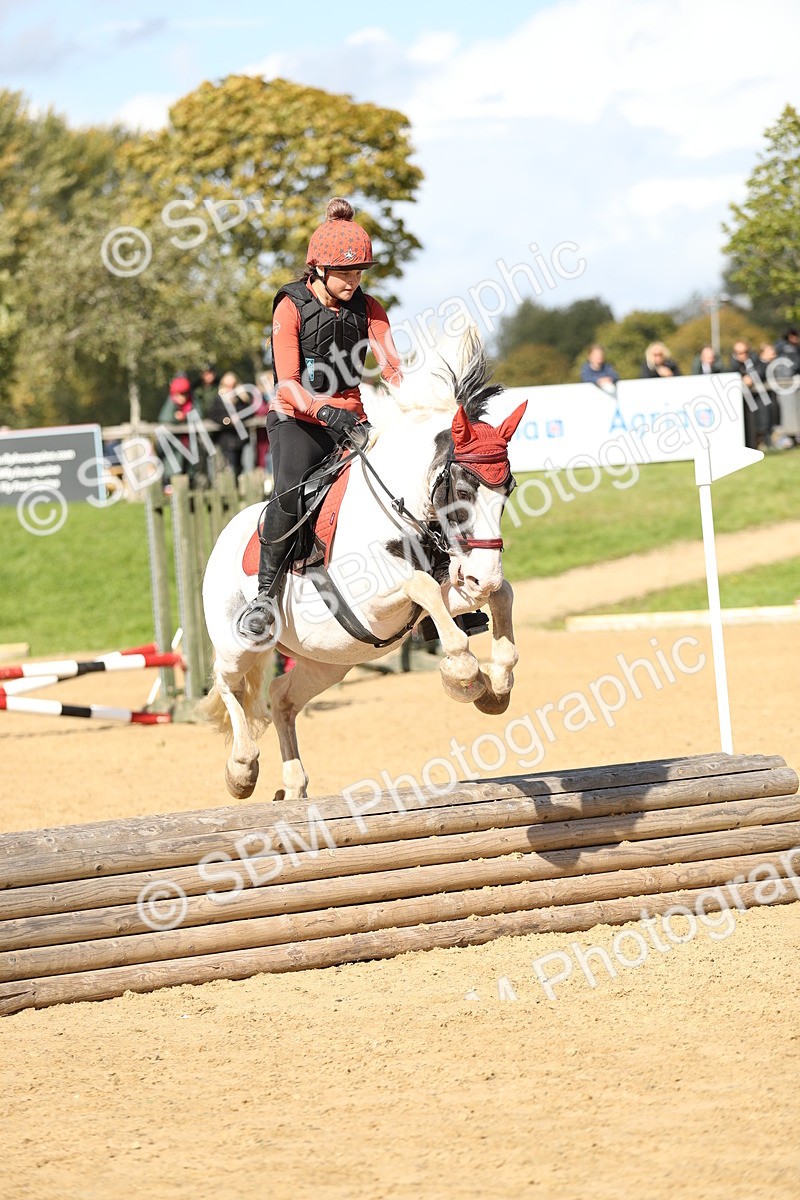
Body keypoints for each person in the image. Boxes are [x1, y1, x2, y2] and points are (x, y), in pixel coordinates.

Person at [237, 197, 403, 640]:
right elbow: (287, 383)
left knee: (405, 481)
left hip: (353, 421)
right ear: (319, 269)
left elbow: (392, 368)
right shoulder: (289, 306)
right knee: (290, 490)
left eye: (359, 272)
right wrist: (324, 410)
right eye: (345, 273)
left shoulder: (370, 308)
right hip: (298, 422)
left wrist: (416, 400)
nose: (354, 280)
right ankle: (265, 599)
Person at [207, 370, 256, 481]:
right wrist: (226, 420)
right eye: (227, 385)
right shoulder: (218, 400)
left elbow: (250, 412)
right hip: (225, 439)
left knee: (243, 467)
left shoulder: (242, 398)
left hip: (241, 439)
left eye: (232, 385)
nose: (230, 388)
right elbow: (212, 414)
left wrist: (238, 416)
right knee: (229, 468)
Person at [157, 375, 200, 490]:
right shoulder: (170, 404)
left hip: (190, 446)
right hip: (174, 449)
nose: (181, 397)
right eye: (178, 394)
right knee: (173, 475)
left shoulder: (193, 402)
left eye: (184, 394)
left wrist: (186, 417)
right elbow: (164, 418)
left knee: (190, 476)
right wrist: (175, 419)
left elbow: (199, 416)